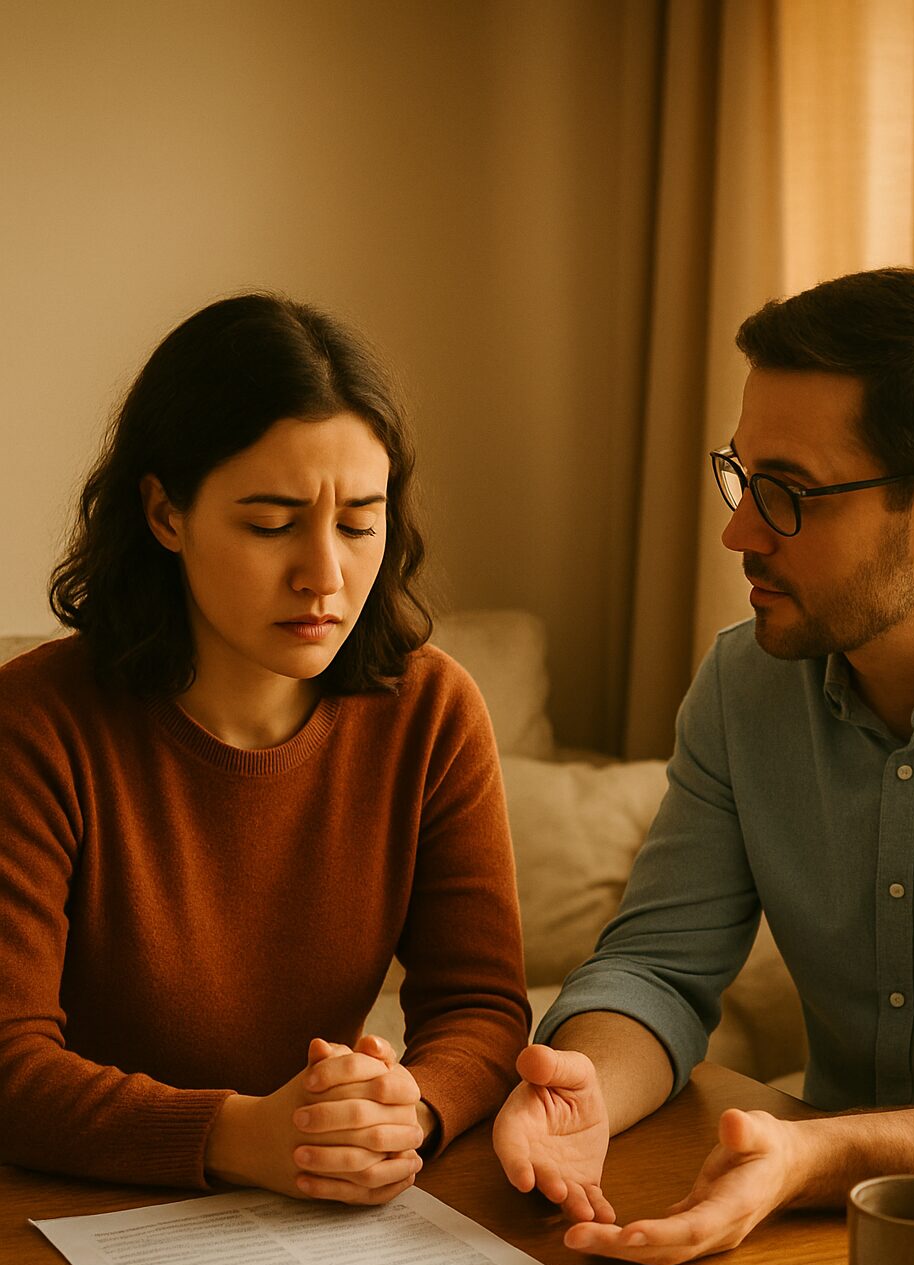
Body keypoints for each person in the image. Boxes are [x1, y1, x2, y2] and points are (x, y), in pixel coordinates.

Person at [493, 265, 914, 1265]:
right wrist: (581, 1089)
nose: (737, 531)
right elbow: (658, 964)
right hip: (817, 1230)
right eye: (742, 476)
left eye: (787, 494)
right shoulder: (746, 686)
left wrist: (818, 1155)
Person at [0, 293, 529, 1203]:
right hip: (68, 1207)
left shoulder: (431, 711)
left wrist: (406, 1112)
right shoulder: (36, 723)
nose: (324, 575)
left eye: (359, 523)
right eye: (272, 524)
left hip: (311, 1203)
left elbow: (480, 1006)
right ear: (165, 513)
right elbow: (10, 1063)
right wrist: (236, 1134)